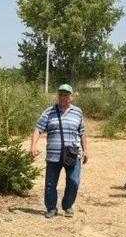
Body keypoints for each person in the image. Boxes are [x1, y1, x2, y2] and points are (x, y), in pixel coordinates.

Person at [29, 84, 88, 219]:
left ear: (71, 97)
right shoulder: (49, 112)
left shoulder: (78, 112)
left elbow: (82, 133)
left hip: (73, 154)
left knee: (73, 182)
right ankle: (51, 208)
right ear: (58, 96)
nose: (63, 97)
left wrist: (86, 150)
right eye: (61, 94)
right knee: (50, 183)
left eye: (66, 94)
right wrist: (33, 145)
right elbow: (38, 129)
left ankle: (67, 205)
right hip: (53, 155)